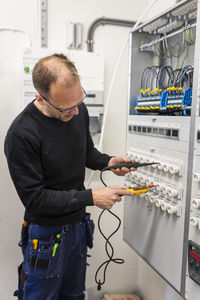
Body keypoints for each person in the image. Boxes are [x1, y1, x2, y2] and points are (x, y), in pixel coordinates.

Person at [4, 53, 135, 300]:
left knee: (74, 296)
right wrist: (91, 196)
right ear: (40, 98)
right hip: (46, 235)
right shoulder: (21, 134)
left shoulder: (78, 109)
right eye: (66, 108)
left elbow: (85, 152)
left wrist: (108, 162)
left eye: (79, 101)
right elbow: (36, 199)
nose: (76, 111)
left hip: (77, 228)